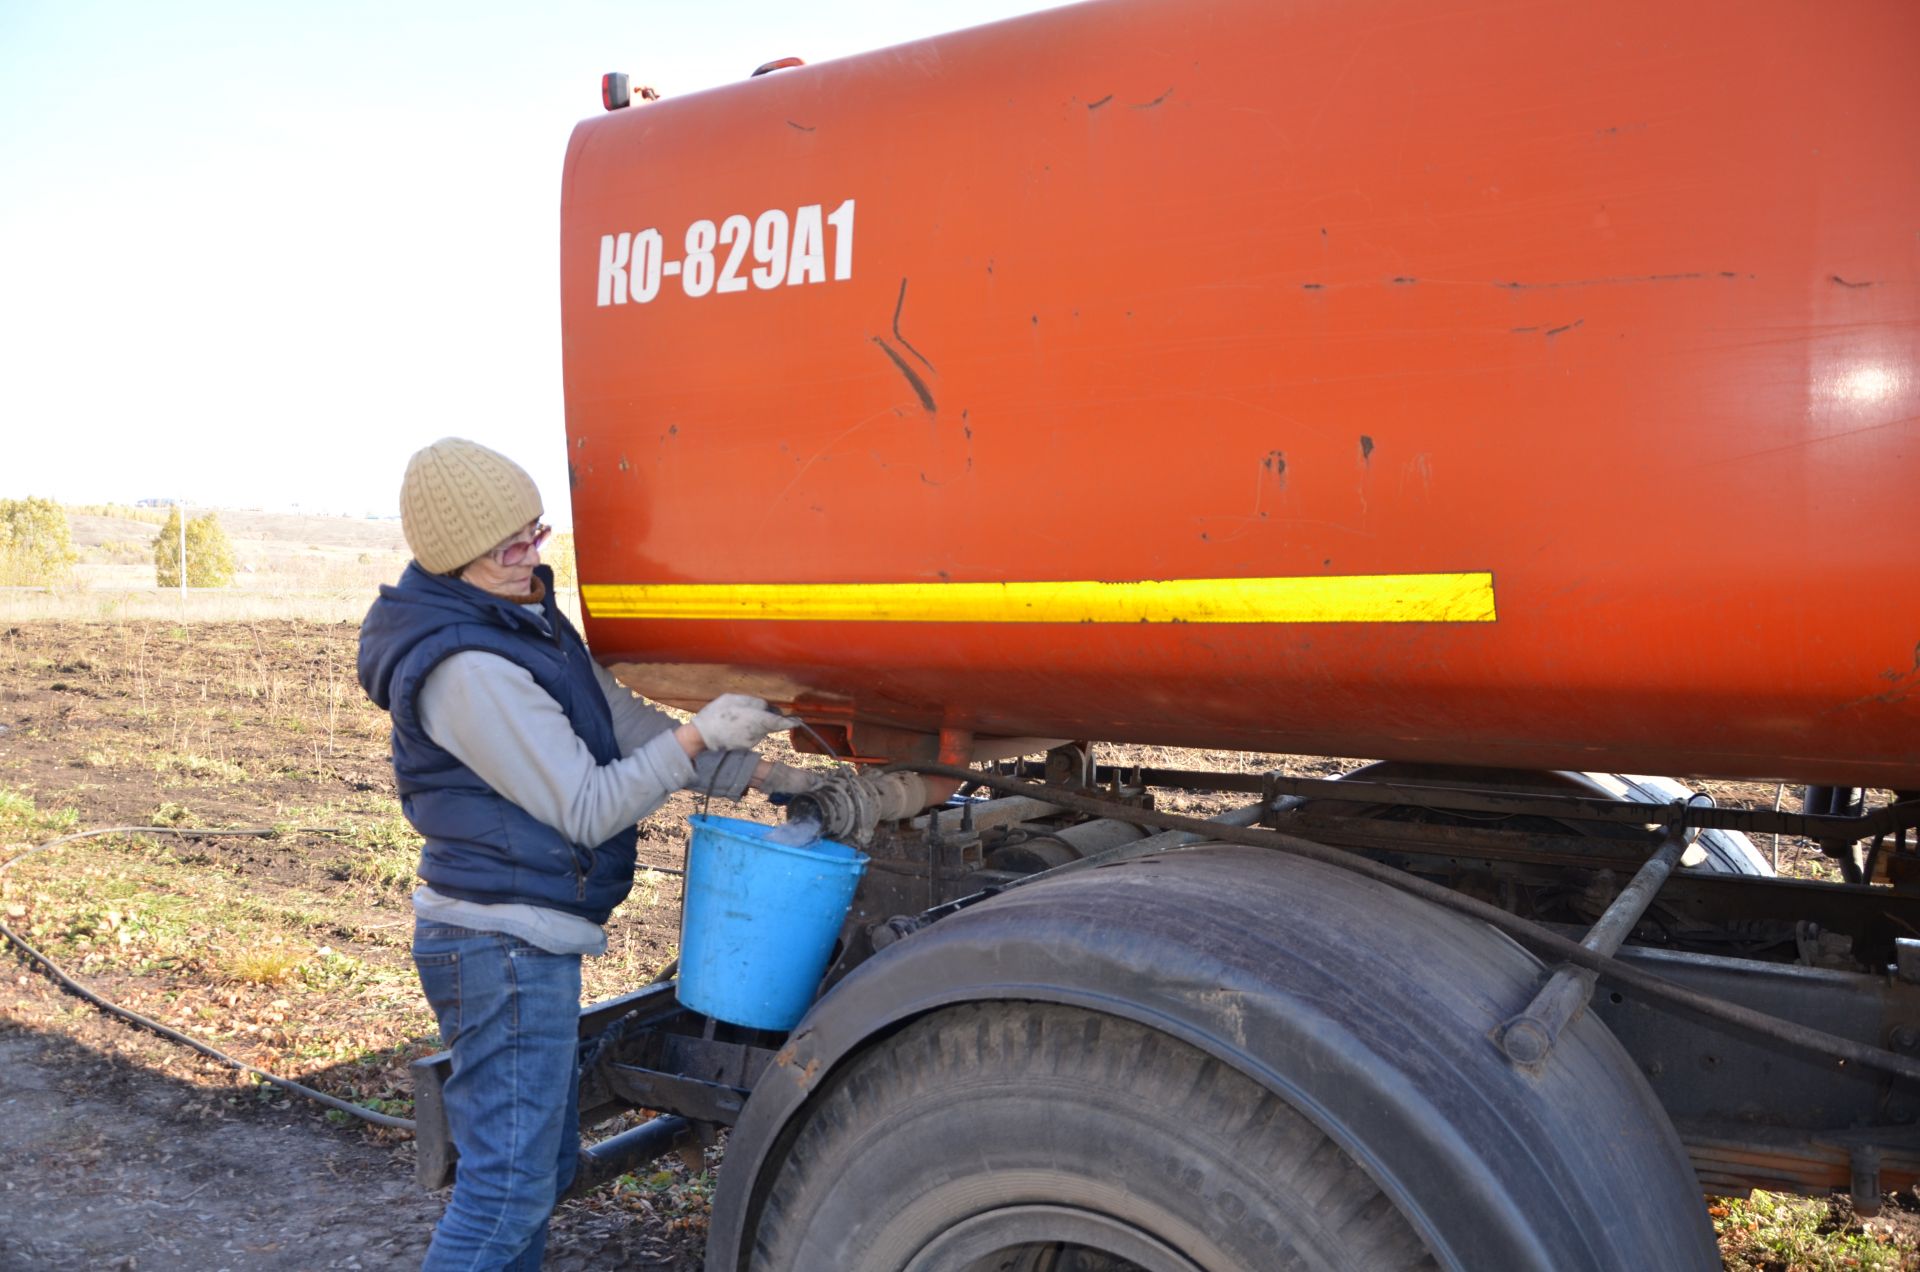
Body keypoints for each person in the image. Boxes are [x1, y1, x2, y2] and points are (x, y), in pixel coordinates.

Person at [357, 437, 815, 1271]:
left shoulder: (524, 617)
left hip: (524, 940)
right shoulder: (467, 669)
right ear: (457, 553)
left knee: (532, 1176)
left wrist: (767, 771)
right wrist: (697, 733)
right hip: (497, 946)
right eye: (511, 543)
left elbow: (623, 727)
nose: (534, 552)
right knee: (505, 1193)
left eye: (536, 529)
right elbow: (585, 806)